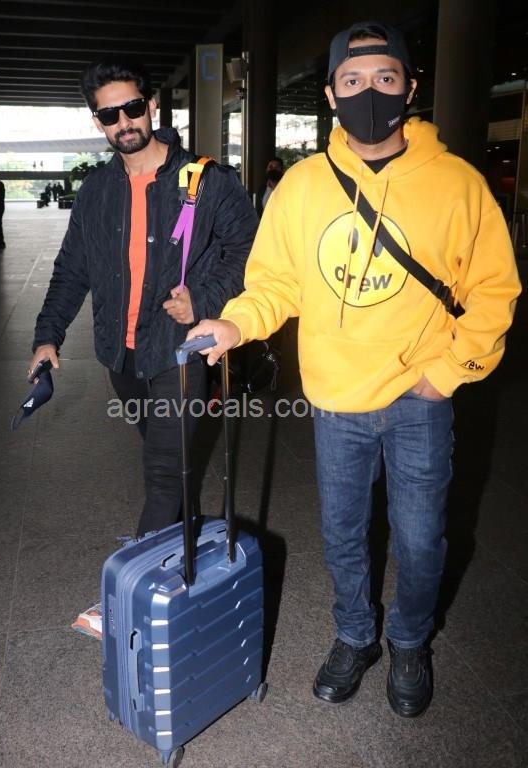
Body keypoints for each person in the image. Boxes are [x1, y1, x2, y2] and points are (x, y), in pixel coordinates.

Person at [187, 21, 522, 718]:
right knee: (342, 535)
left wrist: (445, 372)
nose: (370, 92)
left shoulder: (457, 185)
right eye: (352, 80)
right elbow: (275, 282)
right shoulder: (303, 185)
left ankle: (409, 641)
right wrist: (235, 323)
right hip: (337, 399)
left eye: (385, 78)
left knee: (421, 541)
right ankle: (355, 635)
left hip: (419, 396)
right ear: (332, 95)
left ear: (410, 87)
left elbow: (494, 291)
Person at [28, 58, 257, 538]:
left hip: (179, 351)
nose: (124, 122)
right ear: (98, 122)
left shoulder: (205, 180)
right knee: (171, 464)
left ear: (151, 106)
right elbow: (71, 269)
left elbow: (250, 251)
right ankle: (182, 553)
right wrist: (47, 336)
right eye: (109, 114)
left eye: (132, 108)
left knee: (162, 474)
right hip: (121, 356)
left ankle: (133, 579)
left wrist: (204, 299)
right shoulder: (96, 191)